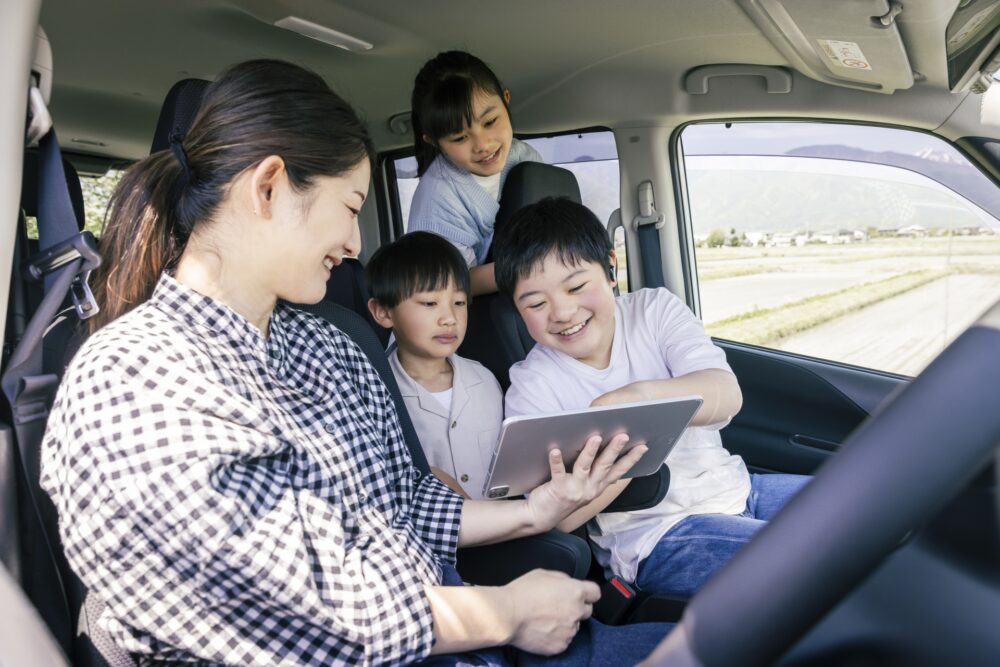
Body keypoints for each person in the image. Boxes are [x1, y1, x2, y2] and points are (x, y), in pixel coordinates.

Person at [39, 60, 667, 666]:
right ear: (269, 188)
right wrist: (503, 612)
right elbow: (294, 614)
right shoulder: (134, 381)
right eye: (348, 207)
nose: (355, 243)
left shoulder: (329, 344)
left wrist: (536, 511)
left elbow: (406, 502)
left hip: (453, 632)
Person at [493, 197, 811, 598]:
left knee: (875, 513)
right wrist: (619, 464)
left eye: (576, 286)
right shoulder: (532, 385)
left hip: (737, 488)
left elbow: (725, 393)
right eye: (536, 303)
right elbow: (550, 521)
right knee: (813, 561)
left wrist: (637, 400)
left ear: (611, 267)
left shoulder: (654, 310)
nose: (562, 312)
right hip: (654, 534)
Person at [366, 231, 502, 499]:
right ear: (384, 312)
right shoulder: (378, 395)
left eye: (459, 302)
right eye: (430, 303)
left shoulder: (485, 380)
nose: (450, 318)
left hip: (505, 527)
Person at [408, 50, 543, 296]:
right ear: (434, 142)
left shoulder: (524, 158)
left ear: (506, 99)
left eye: (490, 122)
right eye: (460, 137)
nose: (482, 144)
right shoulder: (440, 196)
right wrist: (532, 268)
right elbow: (450, 285)